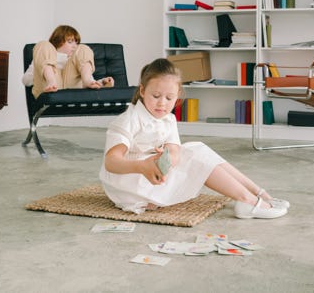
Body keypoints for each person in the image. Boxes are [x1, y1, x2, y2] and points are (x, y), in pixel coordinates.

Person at [99, 58, 289, 219]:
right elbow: (111, 162)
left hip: (154, 174)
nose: (161, 103)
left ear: (178, 96)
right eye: (155, 95)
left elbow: (174, 150)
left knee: (197, 148)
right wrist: (144, 166)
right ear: (142, 91)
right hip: (129, 182)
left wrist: (167, 161)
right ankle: (248, 202)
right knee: (196, 157)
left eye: (169, 98)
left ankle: (258, 193)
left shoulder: (168, 118)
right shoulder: (128, 119)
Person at [22, 25, 114, 99]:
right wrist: (44, 66)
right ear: (57, 41)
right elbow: (26, 81)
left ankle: (87, 81)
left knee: (83, 48)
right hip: (47, 88)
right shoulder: (44, 54)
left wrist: (102, 83)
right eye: (70, 42)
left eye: (76, 42)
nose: (74, 46)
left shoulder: (77, 57)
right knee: (42, 44)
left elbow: (89, 82)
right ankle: (51, 81)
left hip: (72, 89)